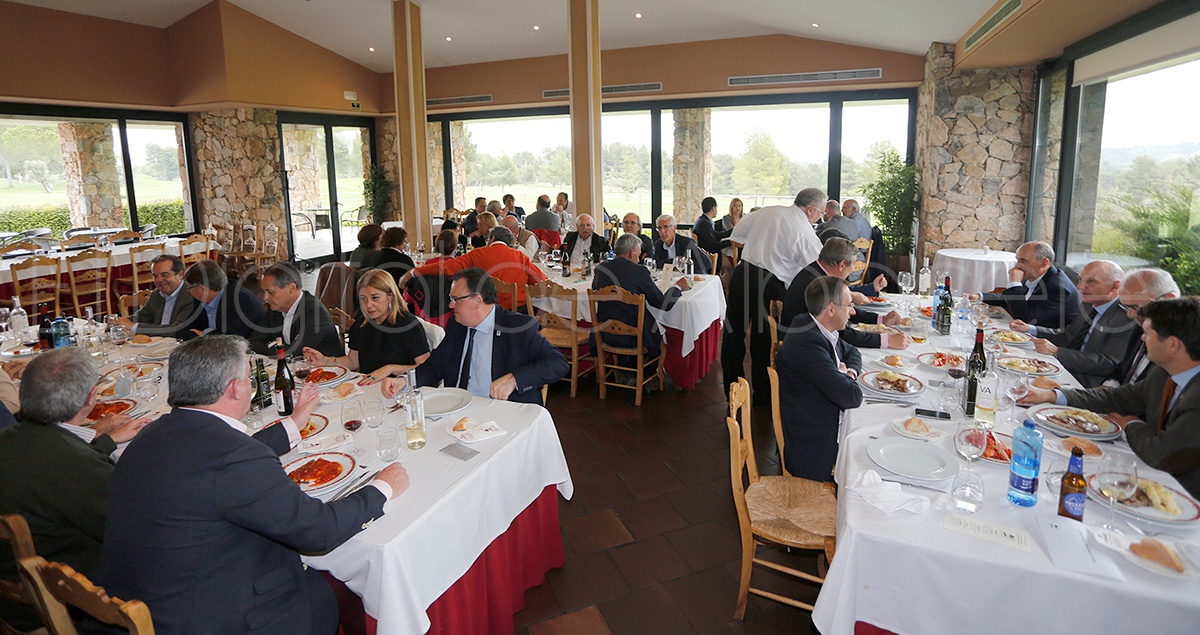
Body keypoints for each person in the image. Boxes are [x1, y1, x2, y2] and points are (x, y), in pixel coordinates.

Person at [97, 335, 409, 635]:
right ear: (236, 389)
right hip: (212, 621)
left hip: (141, 607)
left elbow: (217, 459)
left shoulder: (148, 435)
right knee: (347, 585)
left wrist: (293, 425)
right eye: (248, 377)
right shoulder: (235, 458)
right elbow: (319, 530)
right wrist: (381, 488)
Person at [0, 348, 148, 632]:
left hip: (11, 594)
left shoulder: (9, 438)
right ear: (91, 398)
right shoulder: (78, 467)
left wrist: (105, 442)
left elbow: (51, 467)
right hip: (57, 607)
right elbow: (135, 532)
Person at [1022, 297, 1200, 498]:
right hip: (1150, 473)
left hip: (1183, 496)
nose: (1142, 339)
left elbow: (1160, 453)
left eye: (1148, 334)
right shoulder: (1163, 373)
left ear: (1172, 345)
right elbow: (1117, 398)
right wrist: (1053, 395)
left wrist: (1131, 424)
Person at [383, 268, 567, 405]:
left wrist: (515, 379)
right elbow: (434, 367)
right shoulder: (457, 325)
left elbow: (558, 363)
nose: (451, 305)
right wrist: (404, 381)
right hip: (460, 411)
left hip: (503, 414)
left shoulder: (516, 327)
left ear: (478, 300)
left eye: (456, 299)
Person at [722, 188, 824, 398]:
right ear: (811, 210)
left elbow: (737, 233)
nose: (820, 218)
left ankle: (733, 392)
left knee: (733, 334)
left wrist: (762, 241)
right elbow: (818, 268)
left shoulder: (768, 211)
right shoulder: (804, 231)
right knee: (764, 340)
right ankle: (763, 395)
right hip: (769, 282)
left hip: (743, 273)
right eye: (821, 213)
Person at [776, 276, 863, 481]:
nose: (852, 311)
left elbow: (853, 352)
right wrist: (844, 377)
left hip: (819, 419)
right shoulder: (808, 343)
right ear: (831, 310)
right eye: (849, 305)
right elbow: (852, 397)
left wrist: (848, 373)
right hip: (813, 445)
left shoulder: (810, 323)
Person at [1009, 260, 1139, 388]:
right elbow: (1067, 336)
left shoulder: (1125, 318)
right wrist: (1031, 329)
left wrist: (1058, 352)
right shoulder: (1089, 304)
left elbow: (1108, 364)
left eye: (1091, 281)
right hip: (1064, 368)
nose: (1080, 287)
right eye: (1080, 279)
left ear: (1115, 287)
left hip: (1089, 382)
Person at [305, 269, 430, 384]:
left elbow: (425, 367)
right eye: (363, 299)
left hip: (401, 388)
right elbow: (353, 362)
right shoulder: (361, 325)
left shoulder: (408, 325)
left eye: (375, 298)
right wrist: (325, 361)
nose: (368, 305)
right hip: (370, 386)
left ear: (390, 297)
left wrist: (391, 368)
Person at [780, 237, 908, 350]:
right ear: (842, 265)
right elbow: (841, 333)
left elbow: (843, 308)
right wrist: (886, 340)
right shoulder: (820, 285)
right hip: (803, 346)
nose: (852, 270)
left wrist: (881, 319)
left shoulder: (816, 271)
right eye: (852, 264)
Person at [592, 233, 690, 365]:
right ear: (631, 252)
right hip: (635, 336)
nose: (638, 260)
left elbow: (595, 290)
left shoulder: (600, 269)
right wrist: (677, 287)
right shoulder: (639, 271)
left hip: (605, 333)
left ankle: (624, 366)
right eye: (638, 255)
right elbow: (662, 304)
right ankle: (649, 369)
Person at [403, 226, 546, 312]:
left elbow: (447, 268)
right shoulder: (521, 257)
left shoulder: (476, 254)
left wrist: (414, 272)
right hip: (517, 311)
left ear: (491, 239)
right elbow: (541, 281)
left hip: (485, 310)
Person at [975, 241, 1081, 330]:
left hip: (1049, 340)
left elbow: (1025, 319)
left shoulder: (1057, 288)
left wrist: (1014, 283)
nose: (1017, 265)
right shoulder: (1034, 274)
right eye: (1017, 260)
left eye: (1023, 261)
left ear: (1044, 263)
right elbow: (1012, 299)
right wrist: (979, 297)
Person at [248, 263, 343, 358]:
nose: (265, 298)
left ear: (291, 288)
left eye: (270, 292)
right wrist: (282, 348)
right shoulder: (275, 308)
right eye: (264, 291)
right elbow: (254, 342)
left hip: (328, 366)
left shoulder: (316, 313)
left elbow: (296, 352)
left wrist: (274, 346)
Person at [1113, 268, 1181, 385]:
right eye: (1126, 307)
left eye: (1136, 307)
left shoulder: (1184, 342)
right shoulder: (1142, 325)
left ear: (1168, 299)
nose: (1130, 315)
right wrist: (1109, 384)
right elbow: (1125, 366)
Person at [178, 259, 265, 340]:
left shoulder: (241, 301)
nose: (189, 291)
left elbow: (228, 339)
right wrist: (202, 335)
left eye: (189, 288)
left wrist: (203, 334)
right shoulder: (201, 300)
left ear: (202, 289)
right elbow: (182, 331)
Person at [114, 254, 199, 336]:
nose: (159, 280)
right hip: (157, 342)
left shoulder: (192, 295)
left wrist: (134, 327)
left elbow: (176, 330)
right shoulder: (157, 294)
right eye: (155, 276)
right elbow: (140, 317)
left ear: (180, 274)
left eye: (164, 275)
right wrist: (118, 321)